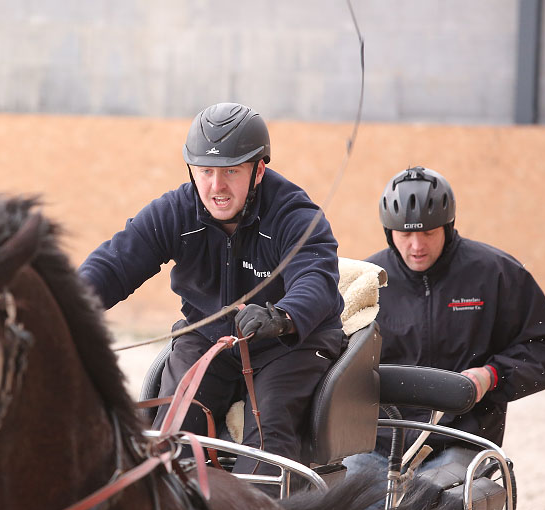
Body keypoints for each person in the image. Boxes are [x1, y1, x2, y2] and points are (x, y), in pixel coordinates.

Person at [78, 102, 345, 483]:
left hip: (287, 344)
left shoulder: (294, 214)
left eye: (231, 172)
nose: (216, 187)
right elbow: (114, 264)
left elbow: (316, 279)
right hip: (208, 337)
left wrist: (282, 317)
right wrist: (65, 306)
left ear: (258, 170)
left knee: (269, 434)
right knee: (172, 430)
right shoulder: (176, 211)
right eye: (205, 172)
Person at [346, 166, 545, 476]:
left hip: (462, 441)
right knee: (344, 506)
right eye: (406, 233)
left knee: (435, 508)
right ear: (388, 231)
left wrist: (492, 376)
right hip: (378, 443)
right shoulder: (367, 282)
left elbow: (544, 347)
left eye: (428, 232)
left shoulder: (496, 274)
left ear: (448, 226)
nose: (417, 245)